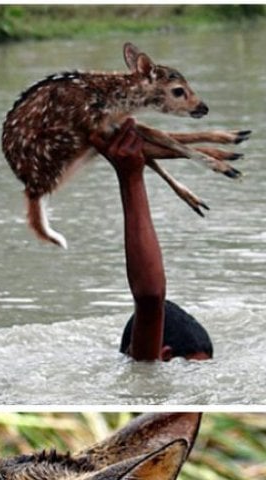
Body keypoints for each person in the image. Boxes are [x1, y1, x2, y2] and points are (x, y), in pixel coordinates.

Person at [91, 119, 213, 361]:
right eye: (194, 370)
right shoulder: (147, 368)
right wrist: (131, 178)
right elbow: (150, 299)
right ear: (164, 355)